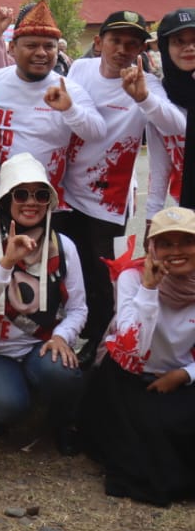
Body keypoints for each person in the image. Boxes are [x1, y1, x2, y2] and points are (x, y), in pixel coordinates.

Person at [64, 10, 185, 361]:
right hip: (66, 190)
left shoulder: (148, 84)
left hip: (108, 199)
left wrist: (142, 98)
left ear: (141, 51)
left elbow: (176, 125)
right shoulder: (80, 70)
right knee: (71, 267)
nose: (122, 49)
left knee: (103, 277)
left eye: (132, 44)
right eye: (116, 40)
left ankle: (101, 343)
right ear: (99, 42)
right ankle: (76, 329)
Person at [0, 154, 85, 450]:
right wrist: (6, 262)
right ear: (5, 199)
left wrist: (61, 337)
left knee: (64, 375)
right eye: (21, 194)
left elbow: (79, 308)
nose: (31, 202)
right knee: (7, 406)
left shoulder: (63, 245)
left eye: (40, 194)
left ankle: (62, 420)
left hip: (38, 345)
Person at [82, 206, 195, 506]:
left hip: (180, 377)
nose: (177, 251)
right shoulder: (132, 278)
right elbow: (132, 348)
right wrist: (149, 289)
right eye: (166, 244)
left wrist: (185, 375)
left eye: (186, 242)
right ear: (151, 248)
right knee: (146, 450)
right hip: (127, 375)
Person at [0, 1, 105, 204]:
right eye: (32, 45)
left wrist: (70, 110)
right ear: (12, 48)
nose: (42, 53)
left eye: (49, 46)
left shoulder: (69, 90)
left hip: (46, 206)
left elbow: (97, 132)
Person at [154, 8, 195, 214]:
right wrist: (152, 216)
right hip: (187, 211)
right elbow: (160, 166)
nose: (189, 48)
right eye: (179, 41)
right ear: (165, 48)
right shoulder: (159, 97)